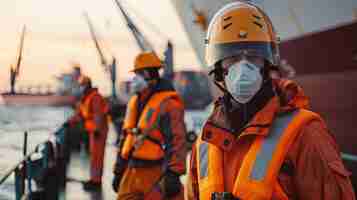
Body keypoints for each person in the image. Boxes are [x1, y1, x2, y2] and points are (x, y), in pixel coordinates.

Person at [186, 1, 356, 200]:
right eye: (232, 59)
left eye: (253, 58)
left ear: (267, 65)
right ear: (218, 68)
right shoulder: (205, 143)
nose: (243, 69)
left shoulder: (305, 134)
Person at [112, 52, 187, 200]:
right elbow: (126, 137)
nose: (135, 78)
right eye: (136, 73)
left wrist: (173, 173)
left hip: (156, 171)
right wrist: (118, 169)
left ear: (151, 74)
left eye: (140, 73)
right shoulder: (134, 102)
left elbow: (177, 140)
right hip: (132, 170)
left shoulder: (169, 104)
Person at [68, 76, 109, 191]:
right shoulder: (86, 98)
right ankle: (94, 179)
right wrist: (69, 122)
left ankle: (96, 182)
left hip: (98, 132)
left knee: (97, 157)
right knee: (93, 156)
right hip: (93, 131)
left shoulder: (95, 97)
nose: (80, 88)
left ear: (87, 85)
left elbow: (98, 115)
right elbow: (80, 114)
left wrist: (97, 129)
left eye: (82, 85)